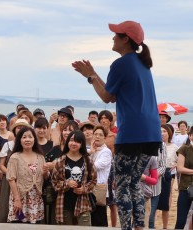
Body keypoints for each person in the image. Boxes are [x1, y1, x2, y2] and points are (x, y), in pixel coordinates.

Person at [72, 20, 162, 230]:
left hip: (131, 134)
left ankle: (127, 228)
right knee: (133, 184)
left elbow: (105, 97)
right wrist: (94, 75)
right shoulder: (141, 63)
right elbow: (112, 96)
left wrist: (90, 77)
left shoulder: (121, 63)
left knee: (121, 184)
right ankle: (139, 226)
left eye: (116, 35)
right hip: (151, 134)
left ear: (126, 39)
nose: (112, 37)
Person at [51, 130, 97, 226]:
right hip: (64, 204)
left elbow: (93, 181)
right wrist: (67, 183)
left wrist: (84, 189)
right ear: (67, 141)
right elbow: (54, 183)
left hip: (83, 203)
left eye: (77, 141)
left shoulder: (88, 161)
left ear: (82, 144)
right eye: (71, 140)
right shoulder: (60, 161)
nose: (74, 143)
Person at [7, 127, 46, 223]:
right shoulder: (15, 157)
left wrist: (46, 172)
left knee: (35, 225)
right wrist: (17, 199)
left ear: (34, 139)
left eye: (30, 137)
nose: (27, 140)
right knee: (18, 224)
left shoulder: (40, 157)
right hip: (20, 199)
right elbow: (11, 179)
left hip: (36, 200)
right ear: (19, 140)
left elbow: (44, 177)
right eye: (24, 137)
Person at [0, 118, 32, 223]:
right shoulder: (8, 145)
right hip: (8, 182)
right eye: (19, 127)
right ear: (15, 130)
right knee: (6, 206)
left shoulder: (29, 146)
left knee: (22, 208)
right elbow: (1, 165)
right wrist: (12, 175)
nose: (21, 130)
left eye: (23, 128)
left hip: (25, 183)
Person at [89, 126, 112, 226]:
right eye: (95, 134)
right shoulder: (91, 150)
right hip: (90, 187)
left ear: (105, 138)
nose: (97, 136)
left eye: (101, 135)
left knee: (99, 218)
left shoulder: (106, 152)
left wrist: (91, 154)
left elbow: (94, 167)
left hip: (99, 188)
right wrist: (91, 152)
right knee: (91, 218)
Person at [156, 124, 178, 229]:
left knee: (165, 204)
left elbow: (181, 160)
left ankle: (165, 226)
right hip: (155, 173)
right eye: (160, 131)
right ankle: (152, 225)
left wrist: (176, 165)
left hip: (168, 173)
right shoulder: (154, 145)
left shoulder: (174, 147)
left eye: (164, 131)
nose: (162, 133)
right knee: (154, 202)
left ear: (169, 133)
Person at [174, 128, 193, 229]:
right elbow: (180, 168)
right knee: (181, 220)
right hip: (185, 187)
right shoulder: (184, 149)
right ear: (190, 136)